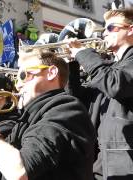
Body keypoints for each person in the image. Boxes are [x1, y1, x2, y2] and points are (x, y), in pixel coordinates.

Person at [0, 51, 96, 180]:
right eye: (16, 80)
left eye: (24, 76)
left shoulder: (66, 109)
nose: (19, 85)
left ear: (51, 72)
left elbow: (19, 171)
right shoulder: (28, 116)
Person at [66, 8, 133, 180]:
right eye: (104, 29)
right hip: (104, 157)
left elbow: (115, 85)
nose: (104, 33)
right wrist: (72, 66)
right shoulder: (110, 67)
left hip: (126, 159)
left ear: (130, 29)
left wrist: (83, 53)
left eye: (111, 28)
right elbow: (78, 99)